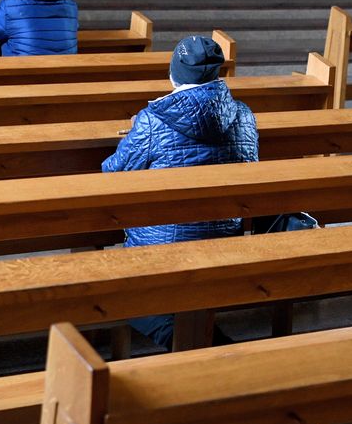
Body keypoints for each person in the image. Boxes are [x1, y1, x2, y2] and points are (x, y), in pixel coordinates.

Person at [102, 35, 259, 350]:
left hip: (160, 249)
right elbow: (250, 170)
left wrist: (138, 131)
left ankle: (193, 342)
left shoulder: (153, 120)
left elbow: (112, 173)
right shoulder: (243, 114)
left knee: (110, 291)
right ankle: (202, 340)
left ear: (174, 73)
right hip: (225, 241)